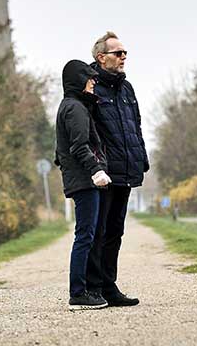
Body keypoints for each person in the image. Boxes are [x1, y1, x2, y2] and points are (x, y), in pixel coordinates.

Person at [86, 31, 148, 307]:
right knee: (97, 233)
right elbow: (84, 131)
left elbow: (136, 126)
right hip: (103, 173)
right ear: (101, 58)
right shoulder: (90, 88)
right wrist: (95, 166)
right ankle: (93, 288)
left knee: (115, 232)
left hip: (126, 169)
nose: (124, 57)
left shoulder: (127, 88)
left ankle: (110, 287)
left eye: (125, 53)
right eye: (118, 53)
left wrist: (141, 159)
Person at [55, 59, 113, 310]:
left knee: (87, 234)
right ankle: (78, 293)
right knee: (85, 236)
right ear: (78, 80)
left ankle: (85, 290)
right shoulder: (75, 108)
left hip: (81, 179)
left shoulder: (72, 106)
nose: (93, 83)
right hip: (85, 181)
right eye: (89, 78)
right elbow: (78, 146)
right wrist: (96, 170)